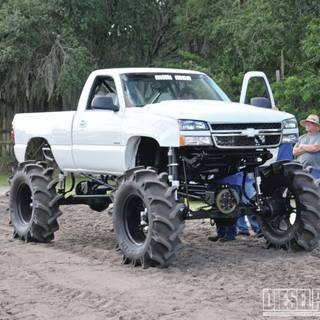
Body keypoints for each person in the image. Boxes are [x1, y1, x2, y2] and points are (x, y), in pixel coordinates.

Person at [293, 114, 320, 179]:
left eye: (309, 123)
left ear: (316, 125)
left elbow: (316, 148)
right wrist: (308, 148)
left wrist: (302, 146)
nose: (307, 124)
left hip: (316, 172)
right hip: (300, 170)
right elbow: (294, 152)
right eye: (306, 123)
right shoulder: (301, 138)